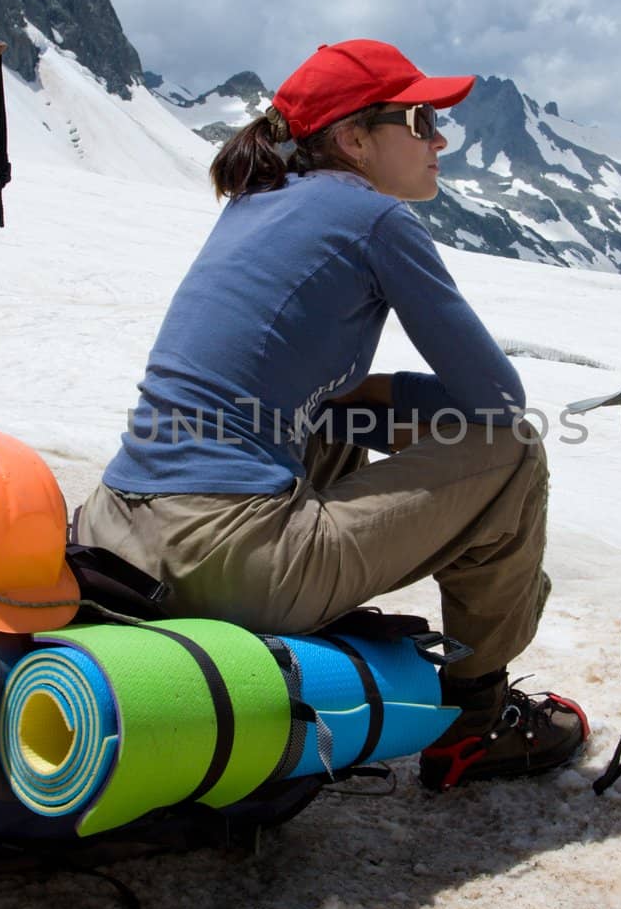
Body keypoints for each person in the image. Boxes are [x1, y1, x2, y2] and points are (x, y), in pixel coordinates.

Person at [75, 39, 587, 791]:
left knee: (331, 418)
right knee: (513, 451)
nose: (440, 138)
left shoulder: (256, 205)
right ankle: (479, 719)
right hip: (225, 559)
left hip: (113, 539)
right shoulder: (372, 217)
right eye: (418, 118)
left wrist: (365, 403)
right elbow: (499, 407)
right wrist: (390, 402)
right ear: (353, 138)